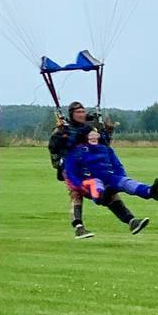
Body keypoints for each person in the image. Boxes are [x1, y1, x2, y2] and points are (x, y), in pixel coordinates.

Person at [64, 128, 158, 238]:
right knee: (96, 184)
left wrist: (121, 176)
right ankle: (101, 198)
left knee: (126, 182)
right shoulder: (77, 151)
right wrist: (79, 184)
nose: (93, 137)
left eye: (95, 134)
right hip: (89, 180)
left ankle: (150, 191)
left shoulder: (105, 149)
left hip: (109, 177)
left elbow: (117, 164)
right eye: (90, 135)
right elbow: (70, 172)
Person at [48, 101, 114, 239]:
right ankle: (78, 227)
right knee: (76, 193)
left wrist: (106, 132)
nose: (81, 114)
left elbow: (103, 145)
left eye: (83, 112)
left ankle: (128, 218)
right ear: (72, 114)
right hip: (70, 166)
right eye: (78, 112)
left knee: (104, 189)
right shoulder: (63, 129)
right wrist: (62, 135)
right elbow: (54, 147)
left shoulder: (90, 129)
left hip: (88, 165)